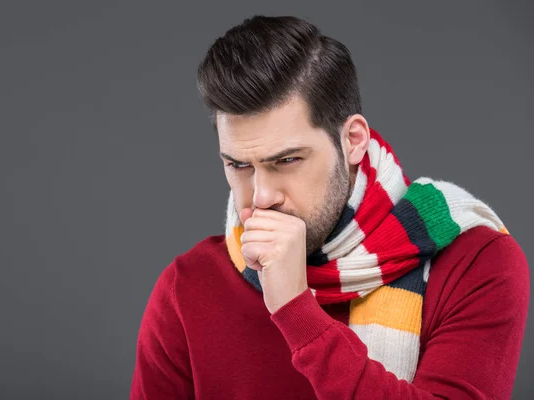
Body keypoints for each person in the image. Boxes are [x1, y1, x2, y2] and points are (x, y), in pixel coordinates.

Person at [130, 15, 529, 399]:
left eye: (287, 161)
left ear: (353, 140)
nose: (262, 195)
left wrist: (296, 311)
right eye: (238, 165)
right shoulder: (187, 287)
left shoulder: (475, 262)